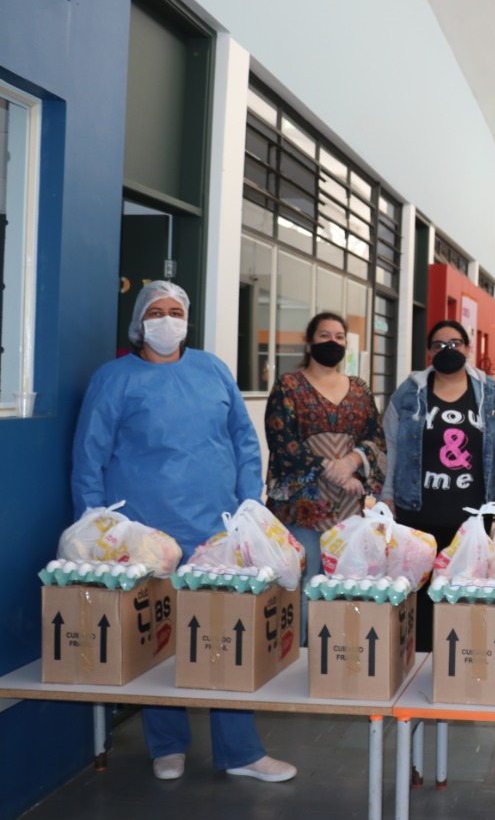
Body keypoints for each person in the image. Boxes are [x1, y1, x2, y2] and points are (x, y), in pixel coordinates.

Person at [71, 281, 295, 783]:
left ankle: (241, 751)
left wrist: (249, 506)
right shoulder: (114, 379)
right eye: (156, 311)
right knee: (159, 637)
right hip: (144, 536)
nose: (167, 320)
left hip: (215, 532)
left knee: (226, 635)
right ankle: (166, 745)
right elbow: (89, 456)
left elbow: (243, 438)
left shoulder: (212, 369)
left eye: (176, 311)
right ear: (138, 322)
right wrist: (94, 531)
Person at [382, 320, 495, 652]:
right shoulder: (409, 393)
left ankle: (463, 666)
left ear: (468, 349)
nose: (448, 350)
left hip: (473, 520)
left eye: (455, 343)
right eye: (439, 345)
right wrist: (388, 497)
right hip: (418, 515)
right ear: (428, 352)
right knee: (419, 600)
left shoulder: (492, 394)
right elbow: (392, 447)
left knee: (466, 597)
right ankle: (419, 668)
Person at [264, 312, 386, 642]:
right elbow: (282, 443)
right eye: (324, 336)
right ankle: (298, 659)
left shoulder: (360, 390)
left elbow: (376, 438)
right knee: (302, 586)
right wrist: (332, 470)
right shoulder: (288, 387)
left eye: (339, 337)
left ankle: (338, 663)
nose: (332, 342)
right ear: (309, 342)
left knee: (346, 588)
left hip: (349, 511)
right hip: (300, 508)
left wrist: (352, 461)